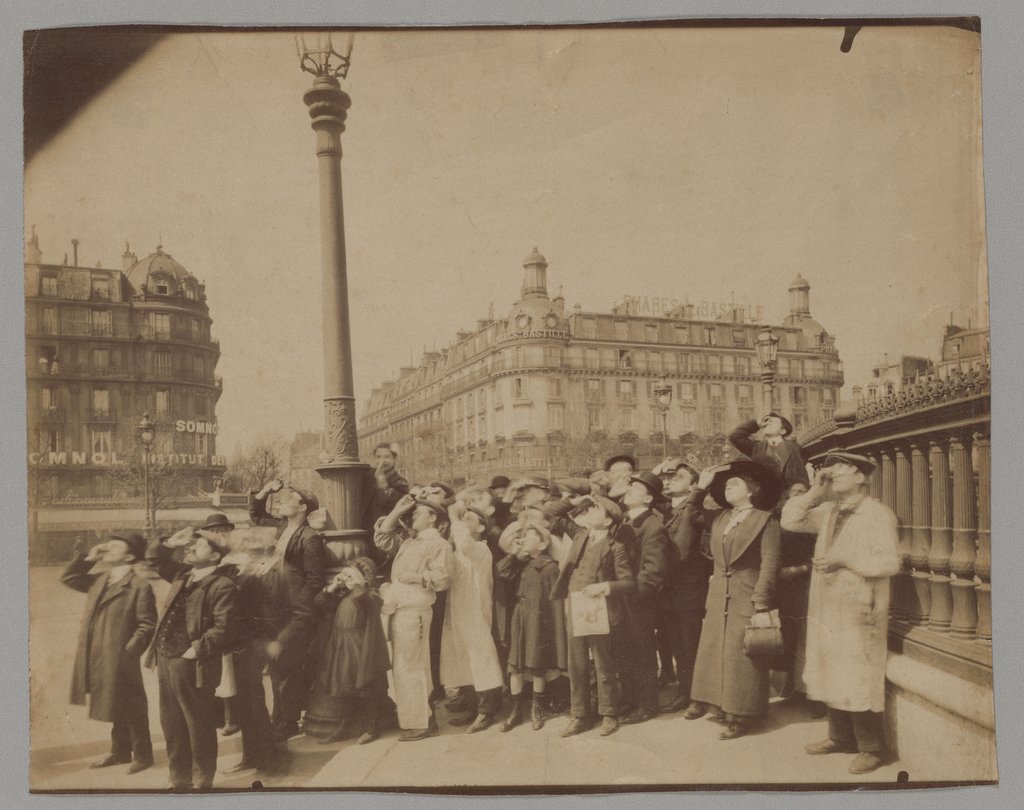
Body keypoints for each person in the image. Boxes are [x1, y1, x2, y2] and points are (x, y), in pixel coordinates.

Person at [781, 451, 902, 775]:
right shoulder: (828, 510)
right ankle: (839, 737)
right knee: (829, 667)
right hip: (829, 604)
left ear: (862, 477)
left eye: (844, 468)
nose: (835, 473)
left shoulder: (877, 514)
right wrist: (814, 490)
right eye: (831, 469)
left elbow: (891, 562)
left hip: (861, 606)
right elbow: (789, 520)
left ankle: (871, 748)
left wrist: (846, 562)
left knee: (858, 672)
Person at [687, 459, 782, 740]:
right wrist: (700, 489)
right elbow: (691, 513)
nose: (728, 487)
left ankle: (743, 714)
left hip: (747, 594)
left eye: (735, 483)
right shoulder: (721, 518)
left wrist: (761, 601)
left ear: (751, 490)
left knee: (744, 656)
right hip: (718, 595)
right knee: (718, 651)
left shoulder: (766, 519)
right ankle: (720, 705)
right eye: (726, 485)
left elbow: (770, 562)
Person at [146, 529, 238, 791]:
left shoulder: (223, 585)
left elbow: (224, 627)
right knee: (171, 721)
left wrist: (197, 649)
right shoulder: (182, 575)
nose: (193, 546)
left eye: (201, 544)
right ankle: (179, 777)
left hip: (193, 662)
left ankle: (201, 778)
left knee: (198, 723)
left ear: (215, 555)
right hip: (166, 657)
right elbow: (155, 561)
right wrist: (170, 542)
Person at [62, 532, 156, 774]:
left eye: (115, 546)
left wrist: (129, 650)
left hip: (121, 655)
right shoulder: (101, 579)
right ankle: (120, 752)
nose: (107, 549)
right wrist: (88, 558)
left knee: (132, 703)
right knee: (114, 699)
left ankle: (143, 755)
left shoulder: (139, 585)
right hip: (99, 652)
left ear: (130, 555)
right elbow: (70, 577)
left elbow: (147, 624)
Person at [550, 493, 635, 737]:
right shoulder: (580, 535)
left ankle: (609, 713)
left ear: (608, 521)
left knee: (602, 662)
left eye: (596, 509)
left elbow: (628, 583)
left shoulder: (616, 547)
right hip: (575, 605)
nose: (589, 511)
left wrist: (605, 587)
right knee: (576, 663)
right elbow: (554, 514)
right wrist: (574, 502)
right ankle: (580, 715)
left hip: (600, 610)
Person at [248, 479, 326, 742]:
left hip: (294, 614)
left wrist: (298, 611)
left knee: (289, 669)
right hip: (273, 609)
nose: (281, 501)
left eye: (287, 498)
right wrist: (264, 491)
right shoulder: (281, 528)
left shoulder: (310, 537)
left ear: (302, 506)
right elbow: (256, 516)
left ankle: (288, 722)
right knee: (277, 667)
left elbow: (315, 580)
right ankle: (278, 719)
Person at [377, 496, 453, 741]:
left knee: (412, 667)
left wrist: (417, 577)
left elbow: (443, 579)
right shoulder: (410, 542)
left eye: (418, 513)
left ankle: (423, 721)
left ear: (433, 517)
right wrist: (397, 508)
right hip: (400, 610)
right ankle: (415, 718)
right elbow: (382, 539)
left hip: (415, 611)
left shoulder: (438, 544)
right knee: (404, 666)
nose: (413, 516)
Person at [214, 527, 284, 776]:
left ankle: (269, 761)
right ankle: (251, 757)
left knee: (253, 705)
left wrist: (265, 643)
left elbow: (266, 614)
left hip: (250, 647)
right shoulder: (237, 570)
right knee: (243, 705)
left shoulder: (252, 575)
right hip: (237, 646)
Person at [312, 557, 391, 745]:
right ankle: (345, 725)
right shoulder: (343, 595)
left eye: (351, 574)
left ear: (365, 578)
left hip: (360, 647)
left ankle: (372, 727)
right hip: (341, 645)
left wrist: (358, 586)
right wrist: (332, 587)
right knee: (344, 686)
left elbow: (369, 602)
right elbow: (318, 603)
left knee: (366, 686)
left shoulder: (369, 594)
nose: (346, 578)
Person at [654, 459, 712, 715]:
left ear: (693, 485)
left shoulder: (695, 508)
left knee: (691, 645)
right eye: (668, 478)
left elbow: (684, 545)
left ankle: (696, 697)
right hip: (669, 588)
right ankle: (685, 692)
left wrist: (699, 491)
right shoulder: (667, 508)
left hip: (689, 588)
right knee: (678, 644)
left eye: (677, 477)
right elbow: (646, 491)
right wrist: (655, 473)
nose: (669, 480)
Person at [441, 503, 505, 733]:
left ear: (480, 527)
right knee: (461, 655)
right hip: (457, 609)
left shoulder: (480, 548)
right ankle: (471, 706)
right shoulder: (458, 548)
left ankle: (487, 710)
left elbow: (465, 543)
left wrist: (453, 515)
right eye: (462, 519)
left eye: (469, 519)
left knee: (480, 656)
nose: (462, 522)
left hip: (475, 610)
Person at [616, 470, 670, 725]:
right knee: (624, 651)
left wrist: (631, 594)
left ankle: (647, 705)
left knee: (642, 652)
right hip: (621, 598)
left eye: (636, 488)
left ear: (649, 499)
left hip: (638, 601)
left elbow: (653, 571)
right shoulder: (624, 520)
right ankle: (628, 699)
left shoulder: (653, 526)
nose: (629, 489)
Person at [500, 525, 566, 732]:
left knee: (537, 665)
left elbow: (555, 602)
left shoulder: (550, 567)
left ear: (543, 543)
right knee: (516, 665)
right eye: (523, 536)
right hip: (520, 618)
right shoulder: (521, 563)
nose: (524, 540)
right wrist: (513, 553)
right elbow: (501, 572)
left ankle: (536, 707)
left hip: (539, 621)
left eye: (529, 537)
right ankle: (516, 710)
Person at [729, 412, 809, 489]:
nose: (767, 423)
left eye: (771, 421)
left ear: (782, 431)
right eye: (766, 421)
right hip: (767, 497)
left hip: (791, 497)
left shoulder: (794, 448)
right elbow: (735, 437)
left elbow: (801, 474)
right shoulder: (756, 448)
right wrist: (756, 424)